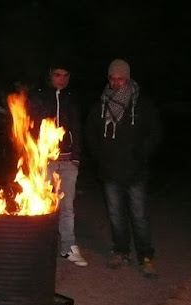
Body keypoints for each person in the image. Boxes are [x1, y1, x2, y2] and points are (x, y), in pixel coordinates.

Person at [85, 58, 161, 278]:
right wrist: (100, 156)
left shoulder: (142, 103)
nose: (117, 83)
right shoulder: (101, 103)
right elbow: (91, 132)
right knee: (116, 215)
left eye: (121, 79)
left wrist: (142, 154)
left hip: (136, 170)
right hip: (110, 170)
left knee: (138, 215)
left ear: (127, 79)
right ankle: (121, 250)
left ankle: (145, 256)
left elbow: (155, 132)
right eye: (113, 79)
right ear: (109, 79)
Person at [28, 61, 87, 267]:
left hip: (68, 160)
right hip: (45, 160)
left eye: (65, 75)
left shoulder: (72, 98)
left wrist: (77, 156)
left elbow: (78, 128)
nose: (61, 79)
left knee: (67, 206)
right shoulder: (38, 96)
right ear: (50, 75)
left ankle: (68, 247)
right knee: (41, 205)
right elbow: (28, 127)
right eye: (57, 75)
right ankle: (39, 245)